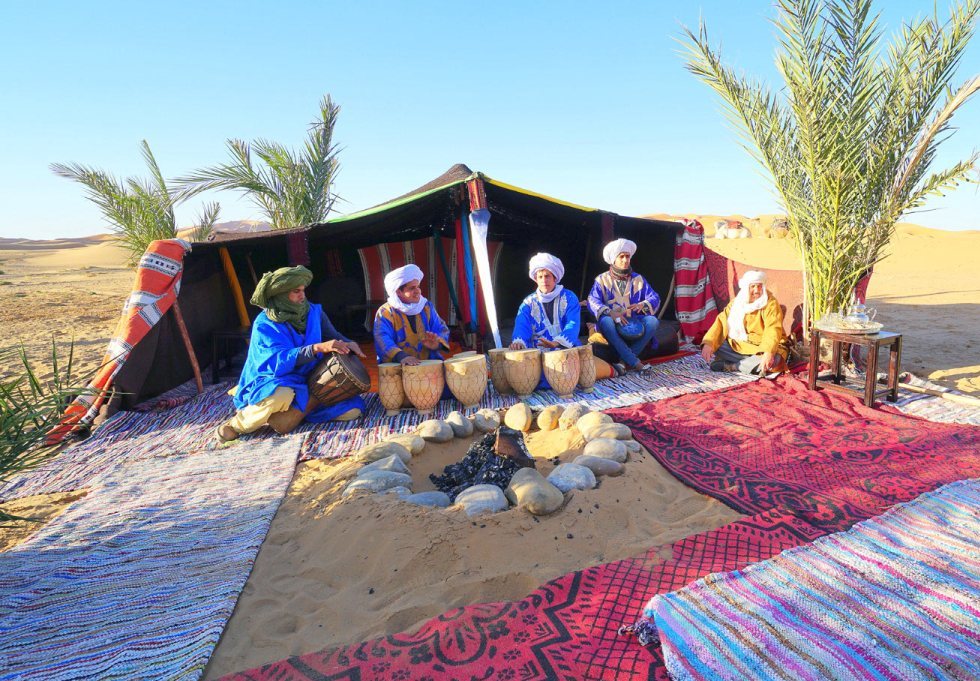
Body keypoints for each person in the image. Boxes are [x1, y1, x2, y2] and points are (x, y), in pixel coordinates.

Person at [217, 265, 367, 443]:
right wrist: (317, 348)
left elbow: (333, 336)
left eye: (303, 290)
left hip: (308, 379)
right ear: (280, 294)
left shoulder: (313, 311)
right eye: (296, 291)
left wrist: (348, 343)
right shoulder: (265, 323)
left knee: (352, 411)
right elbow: (276, 361)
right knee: (281, 396)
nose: (302, 296)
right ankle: (235, 425)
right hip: (273, 378)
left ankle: (292, 413)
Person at [588, 238, 660, 372]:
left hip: (632, 322)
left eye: (627, 256)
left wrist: (642, 304)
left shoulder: (638, 279)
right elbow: (592, 300)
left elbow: (654, 297)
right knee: (606, 322)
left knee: (652, 321)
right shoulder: (602, 280)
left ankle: (623, 361)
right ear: (613, 259)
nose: (625, 260)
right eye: (621, 257)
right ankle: (636, 363)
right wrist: (610, 312)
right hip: (612, 321)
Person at [700, 270, 789, 374]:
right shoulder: (736, 303)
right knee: (717, 345)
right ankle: (748, 365)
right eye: (753, 286)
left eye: (759, 286)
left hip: (763, 347)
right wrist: (709, 343)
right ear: (746, 287)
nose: (756, 290)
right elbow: (721, 321)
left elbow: (773, 329)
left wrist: (768, 352)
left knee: (776, 360)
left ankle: (733, 366)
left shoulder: (770, 303)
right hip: (741, 345)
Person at [374, 264, 450, 365]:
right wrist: (401, 356)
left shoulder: (426, 306)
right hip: (399, 367)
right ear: (398, 292)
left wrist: (437, 344)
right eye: (412, 288)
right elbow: (381, 338)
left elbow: (441, 328)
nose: (417, 291)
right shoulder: (386, 312)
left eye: (418, 286)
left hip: (429, 365)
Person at [509, 253, 581, 350]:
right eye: (540, 277)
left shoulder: (569, 297)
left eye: (547, 276)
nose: (544, 280)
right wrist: (518, 342)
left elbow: (573, 323)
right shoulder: (528, 303)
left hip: (568, 350)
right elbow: (521, 325)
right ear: (536, 279)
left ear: (555, 278)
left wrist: (556, 343)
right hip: (538, 353)